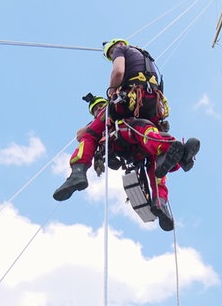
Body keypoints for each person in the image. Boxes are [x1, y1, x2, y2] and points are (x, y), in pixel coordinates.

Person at [53, 94, 200, 231]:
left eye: (99, 106)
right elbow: (80, 135)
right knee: (142, 128)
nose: (98, 109)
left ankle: (160, 203)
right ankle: (178, 154)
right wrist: (98, 119)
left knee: (156, 166)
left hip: (138, 150)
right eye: (94, 109)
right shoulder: (97, 125)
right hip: (121, 138)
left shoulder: (113, 109)